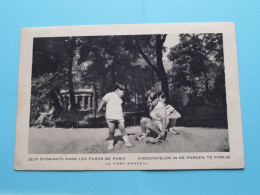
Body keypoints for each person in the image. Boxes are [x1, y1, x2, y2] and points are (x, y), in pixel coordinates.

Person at [97, 83, 132, 149]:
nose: (123, 94)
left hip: (119, 117)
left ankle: (126, 141)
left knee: (123, 129)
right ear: (117, 90)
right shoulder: (110, 95)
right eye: (123, 92)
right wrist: (100, 107)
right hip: (110, 117)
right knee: (111, 131)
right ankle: (110, 143)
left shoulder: (120, 98)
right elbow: (103, 100)